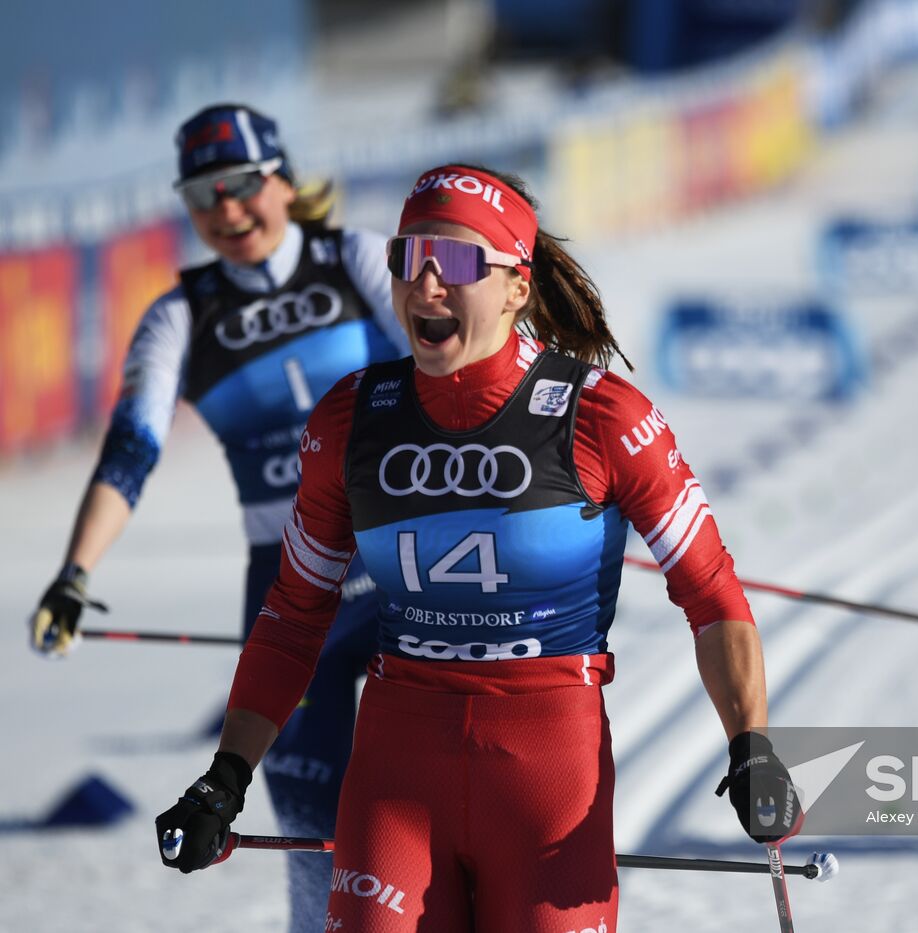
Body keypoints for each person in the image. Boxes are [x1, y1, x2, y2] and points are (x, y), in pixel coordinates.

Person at [154, 164, 802, 931]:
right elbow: (296, 614)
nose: (425, 283)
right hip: (397, 772)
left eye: (457, 262)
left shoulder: (603, 417)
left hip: (545, 776)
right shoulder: (352, 419)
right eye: (407, 258)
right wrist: (226, 774)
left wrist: (751, 743)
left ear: (515, 286)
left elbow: (710, 591)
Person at [28, 103, 409, 932]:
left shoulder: (355, 257)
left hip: (398, 563)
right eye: (203, 198)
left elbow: (455, 370)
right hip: (285, 586)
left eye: (241, 186)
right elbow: (130, 451)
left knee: (422, 808)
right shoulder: (180, 316)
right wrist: (74, 572)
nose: (227, 212)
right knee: (314, 835)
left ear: (281, 178)